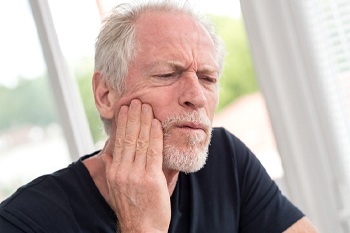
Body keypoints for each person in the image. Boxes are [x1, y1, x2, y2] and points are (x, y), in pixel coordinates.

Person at [0, 1, 318, 232]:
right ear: (105, 94)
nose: (196, 96)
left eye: (208, 79)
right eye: (168, 74)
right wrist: (142, 228)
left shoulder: (226, 159)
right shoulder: (24, 222)